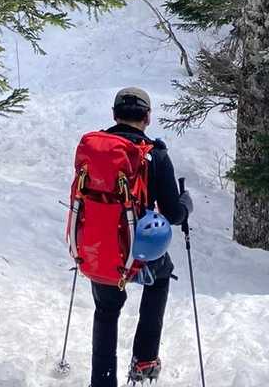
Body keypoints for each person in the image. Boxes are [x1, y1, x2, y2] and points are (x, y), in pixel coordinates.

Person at [89, 86, 192, 387]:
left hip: (100, 246)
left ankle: (102, 380)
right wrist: (186, 204)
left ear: (114, 115)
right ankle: (145, 359)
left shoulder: (95, 149)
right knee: (161, 275)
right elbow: (173, 213)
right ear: (147, 117)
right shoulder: (155, 155)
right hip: (140, 247)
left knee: (106, 309)